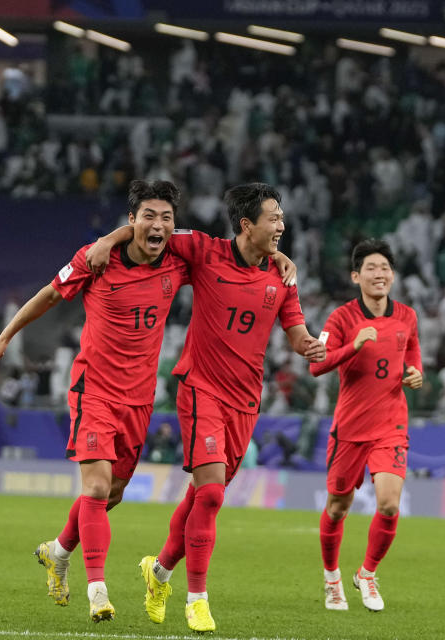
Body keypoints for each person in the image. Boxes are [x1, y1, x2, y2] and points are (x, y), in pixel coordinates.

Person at [0, 180, 294, 623]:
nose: (159, 225)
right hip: (93, 389)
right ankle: (97, 590)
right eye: (149, 216)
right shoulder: (97, 260)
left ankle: (57, 551)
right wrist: (5, 336)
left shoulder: (176, 263)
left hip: (140, 399)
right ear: (131, 221)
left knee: (110, 494)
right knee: (94, 487)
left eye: (167, 218)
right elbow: (52, 294)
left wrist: (275, 254)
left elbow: (233, 259)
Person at [88, 182, 325, 632]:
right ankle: (197, 599)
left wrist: (308, 345)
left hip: (245, 400)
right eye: (273, 218)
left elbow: (294, 331)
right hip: (200, 388)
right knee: (212, 492)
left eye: (281, 217)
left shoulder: (282, 275)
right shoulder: (204, 250)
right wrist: (106, 240)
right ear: (246, 225)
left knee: (202, 495)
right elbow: (147, 231)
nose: (281, 226)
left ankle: (158, 572)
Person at [308, 238, 423, 612]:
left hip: (391, 425)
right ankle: (331, 579)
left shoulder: (407, 315)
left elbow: (413, 347)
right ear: (356, 276)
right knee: (338, 507)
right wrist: (353, 346)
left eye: (385, 268)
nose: (380, 274)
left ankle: (368, 574)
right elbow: (316, 365)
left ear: (393, 276)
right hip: (350, 429)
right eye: (371, 268)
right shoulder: (341, 319)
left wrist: (415, 370)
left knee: (389, 505)